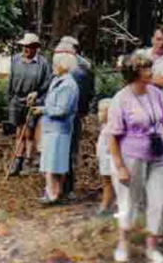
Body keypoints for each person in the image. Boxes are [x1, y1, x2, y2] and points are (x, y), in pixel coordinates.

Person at [108, 53, 163, 263]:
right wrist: (120, 167)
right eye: (146, 69)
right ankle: (123, 243)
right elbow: (113, 136)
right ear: (135, 74)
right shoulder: (121, 99)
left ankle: (152, 247)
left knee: (160, 201)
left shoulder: (156, 93)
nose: (151, 72)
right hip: (131, 156)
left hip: (160, 153)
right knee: (129, 201)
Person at [33, 50, 79, 204]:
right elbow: (50, 101)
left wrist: (43, 110)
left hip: (60, 129)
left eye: (56, 63)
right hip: (51, 128)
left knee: (55, 163)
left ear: (64, 66)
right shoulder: (57, 80)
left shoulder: (68, 85)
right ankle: (52, 191)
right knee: (50, 161)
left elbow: (61, 110)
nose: (53, 66)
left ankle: (53, 194)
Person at [56, 38, 96, 199]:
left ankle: (64, 187)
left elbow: (87, 93)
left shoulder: (77, 69)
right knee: (69, 151)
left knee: (65, 150)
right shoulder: (85, 66)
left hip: (67, 114)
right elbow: (91, 93)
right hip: (76, 114)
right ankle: (65, 186)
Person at [7, 32, 52, 176]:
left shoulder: (43, 63)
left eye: (29, 47)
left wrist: (37, 94)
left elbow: (48, 84)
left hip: (33, 101)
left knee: (29, 132)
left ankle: (28, 160)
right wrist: (10, 98)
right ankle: (17, 160)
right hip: (16, 99)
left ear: (36, 48)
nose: (25, 49)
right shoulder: (15, 60)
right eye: (24, 46)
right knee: (19, 131)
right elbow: (11, 79)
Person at [96, 99, 115, 215]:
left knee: (108, 182)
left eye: (102, 111)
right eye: (99, 111)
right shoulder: (104, 127)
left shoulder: (112, 128)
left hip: (110, 159)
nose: (99, 114)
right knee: (105, 182)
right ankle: (107, 203)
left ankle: (105, 205)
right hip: (104, 159)